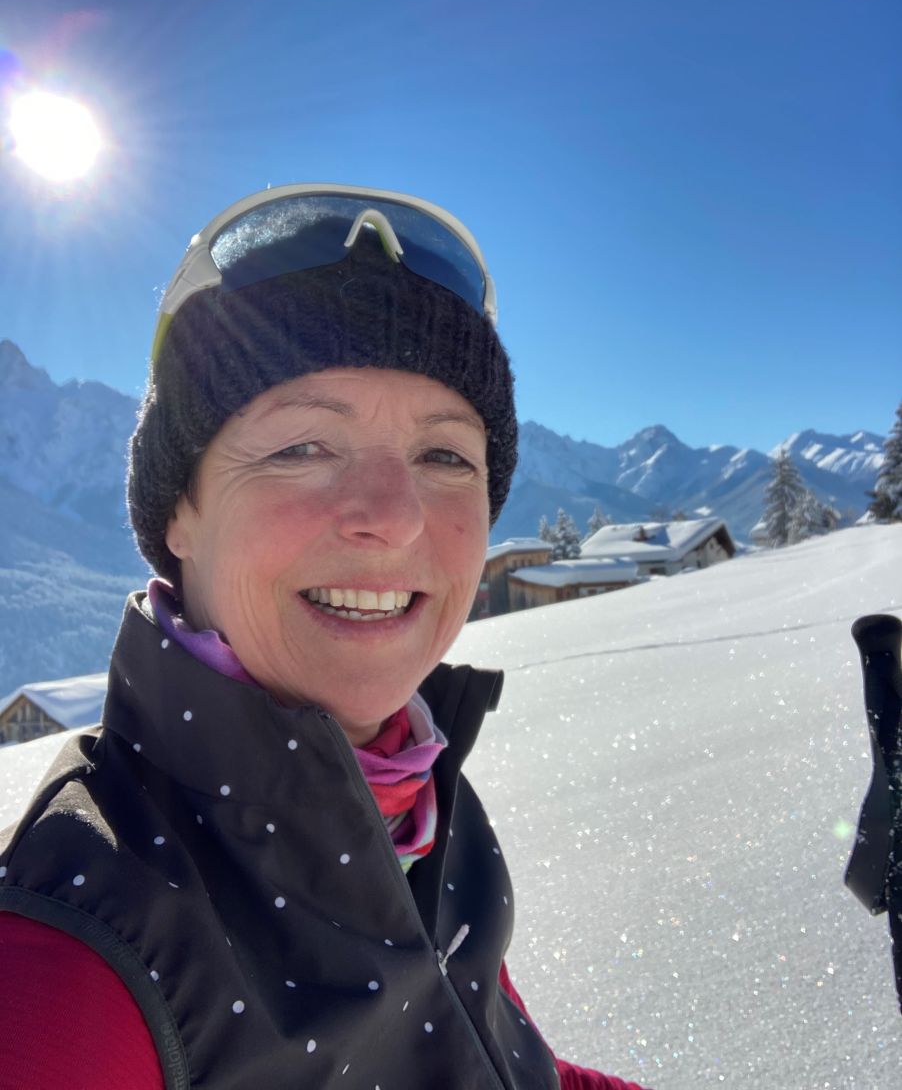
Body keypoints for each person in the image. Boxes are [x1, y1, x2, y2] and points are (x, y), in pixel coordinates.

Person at [0, 185, 649, 1089]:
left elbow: (500, 1064)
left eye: (445, 456)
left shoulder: (416, 798)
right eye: (301, 447)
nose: (392, 517)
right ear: (179, 512)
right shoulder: (67, 968)